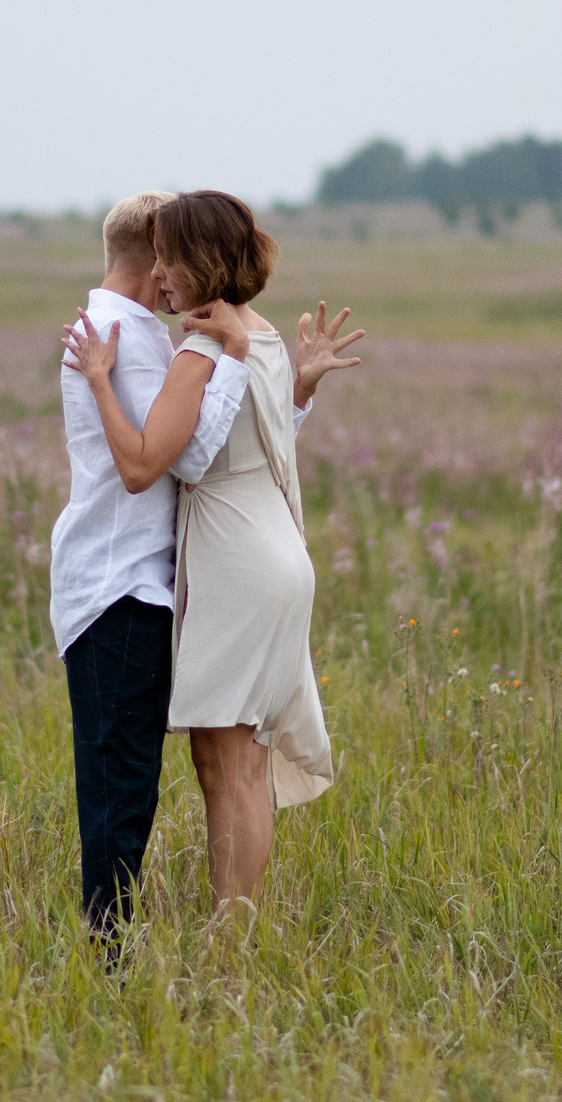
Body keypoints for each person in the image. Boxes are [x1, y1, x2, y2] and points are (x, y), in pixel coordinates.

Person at [63, 190, 364, 914]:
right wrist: (299, 387)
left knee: (228, 769)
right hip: (277, 553)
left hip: (238, 564)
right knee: (237, 763)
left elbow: (174, 463)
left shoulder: (207, 348)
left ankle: (232, 941)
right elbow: (259, 439)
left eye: (170, 259)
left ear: (198, 261)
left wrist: (101, 381)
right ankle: (237, 934)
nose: (160, 273)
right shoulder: (260, 332)